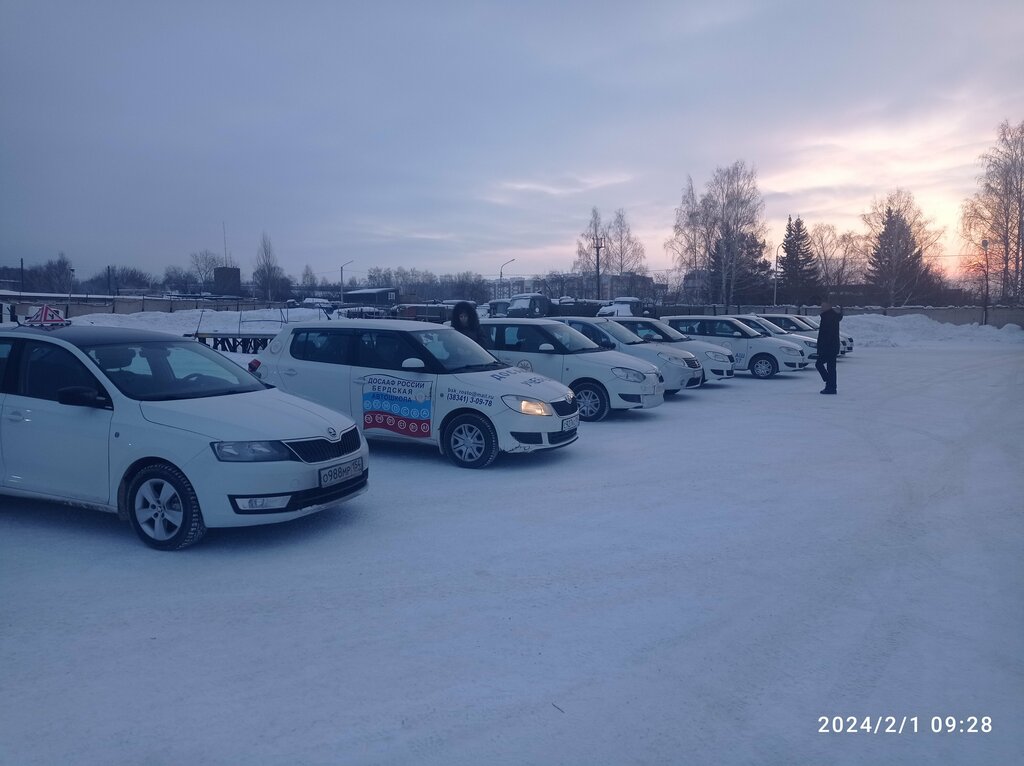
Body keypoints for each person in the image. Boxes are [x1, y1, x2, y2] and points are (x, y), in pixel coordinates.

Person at [814, 296, 843, 394]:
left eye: (823, 305)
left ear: (828, 306)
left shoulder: (828, 317)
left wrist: (822, 348)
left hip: (828, 347)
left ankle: (830, 385)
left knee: (820, 364)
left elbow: (826, 335)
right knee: (830, 368)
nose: (821, 306)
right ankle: (831, 386)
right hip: (832, 347)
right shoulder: (830, 316)